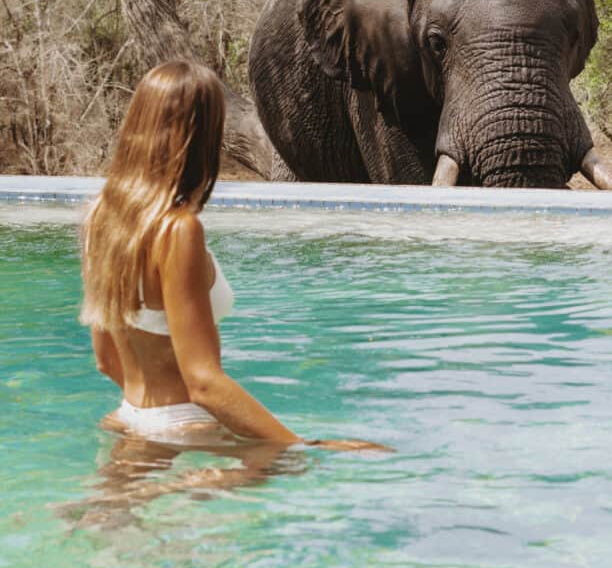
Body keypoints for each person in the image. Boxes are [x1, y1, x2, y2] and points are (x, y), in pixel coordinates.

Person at [80, 58, 385, 458]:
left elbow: (105, 360)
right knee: (300, 465)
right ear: (203, 136)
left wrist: (149, 420)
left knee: (112, 518)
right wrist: (303, 446)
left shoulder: (100, 216)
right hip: (182, 423)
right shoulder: (178, 231)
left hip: (128, 415)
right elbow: (203, 382)